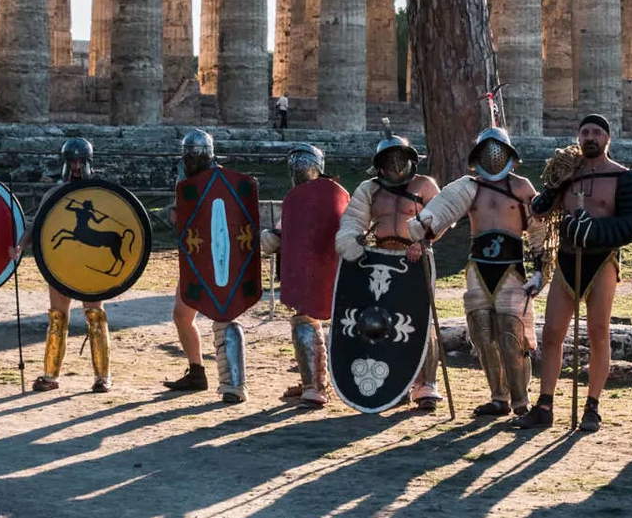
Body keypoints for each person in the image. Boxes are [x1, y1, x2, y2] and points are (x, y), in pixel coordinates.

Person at [512, 114, 632, 432]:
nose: (590, 137)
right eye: (585, 131)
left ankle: (592, 407)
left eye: (597, 132)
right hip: (566, 259)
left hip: (601, 261)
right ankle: (545, 405)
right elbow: (540, 210)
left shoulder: (624, 177)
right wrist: (554, 185)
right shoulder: (567, 176)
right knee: (552, 334)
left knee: (599, 333)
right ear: (579, 137)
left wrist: (596, 230)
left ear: (607, 139)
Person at [410, 124, 542, 418]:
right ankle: (498, 398)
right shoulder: (467, 188)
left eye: (499, 149)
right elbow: (440, 214)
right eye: (487, 149)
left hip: (511, 268)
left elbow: (538, 231)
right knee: (482, 332)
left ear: (509, 153)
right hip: (478, 266)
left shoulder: (522, 187)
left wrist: (540, 270)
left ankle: (521, 401)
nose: (493, 155)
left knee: (512, 334)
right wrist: (423, 228)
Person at [334, 124, 445, 410]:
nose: (396, 165)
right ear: (380, 165)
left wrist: (424, 240)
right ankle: (396, 385)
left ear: (410, 158)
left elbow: (442, 217)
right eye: (389, 160)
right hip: (378, 259)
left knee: (420, 322)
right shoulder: (369, 189)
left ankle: (426, 385)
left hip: (416, 258)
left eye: (400, 158)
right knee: (380, 322)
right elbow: (353, 221)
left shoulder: (425, 186)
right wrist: (351, 243)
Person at [163, 129, 257, 403]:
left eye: (194, 155)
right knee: (182, 315)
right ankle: (196, 372)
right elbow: (181, 220)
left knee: (225, 314)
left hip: (225, 260)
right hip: (197, 261)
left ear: (206, 154)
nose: (190, 160)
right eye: (187, 156)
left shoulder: (225, 182)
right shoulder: (187, 184)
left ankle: (234, 384)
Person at [17, 137, 115, 393]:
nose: (75, 166)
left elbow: (114, 220)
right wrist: (21, 245)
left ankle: (103, 377)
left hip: (91, 262)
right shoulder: (55, 193)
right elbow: (37, 223)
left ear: (88, 162)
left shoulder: (99, 193)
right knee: (57, 317)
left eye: (80, 161)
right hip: (61, 263)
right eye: (71, 161)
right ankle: (50, 375)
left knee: (95, 315)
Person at [261, 144, 348, 407]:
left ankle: (314, 386)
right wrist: (274, 236)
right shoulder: (329, 195)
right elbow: (288, 230)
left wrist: (275, 237)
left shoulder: (334, 195)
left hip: (328, 265)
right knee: (308, 318)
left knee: (304, 319)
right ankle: (313, 382)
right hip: (325, 268)